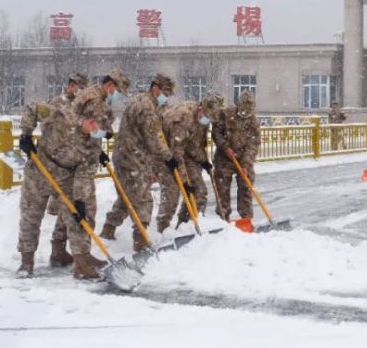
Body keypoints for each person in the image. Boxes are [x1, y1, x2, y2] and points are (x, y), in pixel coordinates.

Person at [15, 69, 129, 279]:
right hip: (40, 169)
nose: (97, 131)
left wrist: (79, 200)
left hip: (67, 175)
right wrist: (26, 134)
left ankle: (81, 261)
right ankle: (26, 261)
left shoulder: (93, 144)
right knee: (31, 216)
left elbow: (84, 174)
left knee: (81, 216)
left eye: (101, 130)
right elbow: (32, 108)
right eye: (95, 126)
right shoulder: (62, 114)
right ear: (87, 119)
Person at [99, 73, 176, 251]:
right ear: (154, 87)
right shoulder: (146, 106)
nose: (166, 95)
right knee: (143, 199)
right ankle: (140, 240)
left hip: (127, 155)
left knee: (127, 197)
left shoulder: (143, 101)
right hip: (132, 157)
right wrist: (168, 157)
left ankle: (108, 229)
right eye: (164, 91)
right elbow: (153, 139)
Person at [156, 93, 222, 232]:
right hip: (165, 152)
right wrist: (185, 181)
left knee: (199, 191)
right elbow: (176, 153)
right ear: (200, 109)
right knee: (172, 195)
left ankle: (187, 227)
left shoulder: (202, 119)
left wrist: (203, 161)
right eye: (207, 117)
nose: (208, 121)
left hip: (184, 151)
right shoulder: (183, 119)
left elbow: (195, 144)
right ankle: (161, 231)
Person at [44, 72, 90, 268]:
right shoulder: (58, 103)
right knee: (69, 206)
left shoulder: (79, 107)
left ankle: (59, 249)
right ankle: (68, 252)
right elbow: (50, 131)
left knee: (69, 207)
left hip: (73, 161)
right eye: (79, 87)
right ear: (71, 85)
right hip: (59, 163)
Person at [212, 90, 260, 224]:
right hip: (224, 157)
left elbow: (253, 145)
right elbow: (216, 133)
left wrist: (246, 163)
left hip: (243, 157)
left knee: (246, 186)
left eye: (248, 111)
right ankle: (223, 218)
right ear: (238, 105)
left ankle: (246, 219)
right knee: (222, 189)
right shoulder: (226, 114)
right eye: (243, 110)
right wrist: (225, 147)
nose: (245, 114)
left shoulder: (253, 121)